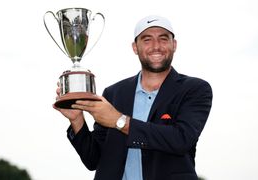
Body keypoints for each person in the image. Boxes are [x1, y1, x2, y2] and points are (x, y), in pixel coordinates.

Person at [54, 15, 213, 180]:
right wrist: (77, 120)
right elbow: (93, 159)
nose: (156, 46)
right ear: (135, 47)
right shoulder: (113, 93)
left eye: (163, 39)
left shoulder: (195, 89)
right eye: (147, 40)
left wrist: (119, 121)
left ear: (174, 45)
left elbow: (181, 139)